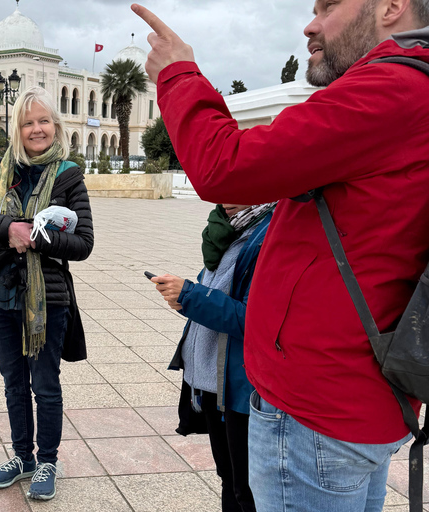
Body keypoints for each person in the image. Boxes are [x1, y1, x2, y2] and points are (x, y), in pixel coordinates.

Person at [132, 1, 429, 510]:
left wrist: (177, 74)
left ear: (391, 6)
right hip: (364, 397)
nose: (311, 24)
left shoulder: (390, 89)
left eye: (330, 5)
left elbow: (225, 167)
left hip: (317, 412)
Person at [0, 86, 94, 501]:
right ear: (17, 128)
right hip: (0, 297)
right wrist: (9, 228)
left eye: (44, 121)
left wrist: (36, 235)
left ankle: (47, 461)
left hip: (47, 300)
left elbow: (84, 243)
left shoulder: (69, 175)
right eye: (28, 122)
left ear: (56, 125)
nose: (37, 129)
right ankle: (22, 458)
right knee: (13, 383)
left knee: (45, 385)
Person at [155, 202, 274, 512]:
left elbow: (257, 321)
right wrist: (185, 297)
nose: (226, 195)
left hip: (242, 386)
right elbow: (216, 293)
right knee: (229, 478)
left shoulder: (270, 231)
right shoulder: (224, 230)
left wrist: (190, 295)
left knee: (247, 489)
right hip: (210, 380)